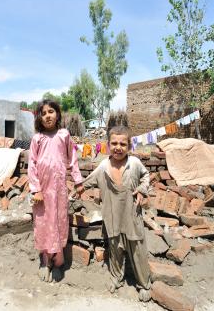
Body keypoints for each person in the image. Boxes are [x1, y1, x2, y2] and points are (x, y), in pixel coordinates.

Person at [80, 125, 152, 301]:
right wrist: (75, 188)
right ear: (107, 145)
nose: (118, 147)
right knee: (115, 249)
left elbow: (146, 176)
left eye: (122, 144)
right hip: (112, 216)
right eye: (114, 143)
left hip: (132, 215)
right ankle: (116, 277)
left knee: (138, 251)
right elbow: (87, 182)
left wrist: (142, 190)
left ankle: (144, 284)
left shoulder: (134, 163)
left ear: (129, 146)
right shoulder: (103, 166)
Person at [28, 99, 84, 283]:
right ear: (40, 118)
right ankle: (45, 261)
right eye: (43, 113)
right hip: (42, 192)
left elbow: (73, 159)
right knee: (43, 224)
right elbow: (32, 165)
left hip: (59, 190)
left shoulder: (64, 135)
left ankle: (58, 262)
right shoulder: (37, 138)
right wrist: (36, 189)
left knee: (59, 223)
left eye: (51, 111)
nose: (47, 116)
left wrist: (77, 180)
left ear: (58, 114)